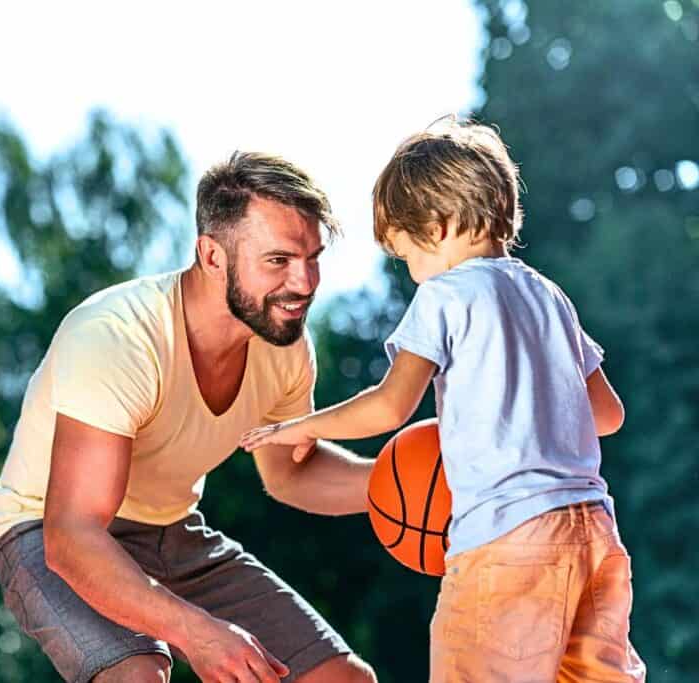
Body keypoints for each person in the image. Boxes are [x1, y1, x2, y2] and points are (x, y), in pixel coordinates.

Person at [240, 119, 646, 682]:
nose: (412, 273)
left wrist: (300, 429)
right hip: (594, 534)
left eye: (407, 256)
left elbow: (390, 407)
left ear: (438, 225)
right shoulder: (547, 295)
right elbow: (608, 414)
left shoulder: (445, 295)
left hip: (505, 540)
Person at [0, 151, 378, 683]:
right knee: (139, 674)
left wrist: (412, 482)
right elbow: (72, 535)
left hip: (173, 533)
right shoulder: (119, 336)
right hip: (48, 531)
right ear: (212, 257)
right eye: (279, 261)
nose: (305, 283)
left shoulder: (282, 343)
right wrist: (197, 633)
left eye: (313, 257)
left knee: (339, 680)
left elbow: (291, 474)